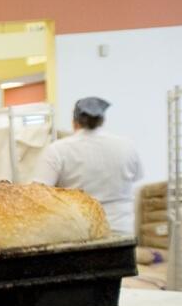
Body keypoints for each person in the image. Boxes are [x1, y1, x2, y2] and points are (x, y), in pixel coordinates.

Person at [32, 97, 144, 234]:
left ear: (74, 122)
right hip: (123, 230)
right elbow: (137, 178)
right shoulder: (127, 146)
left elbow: (37, 193)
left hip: (82, 233)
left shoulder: (57, 150)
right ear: (102, 121)